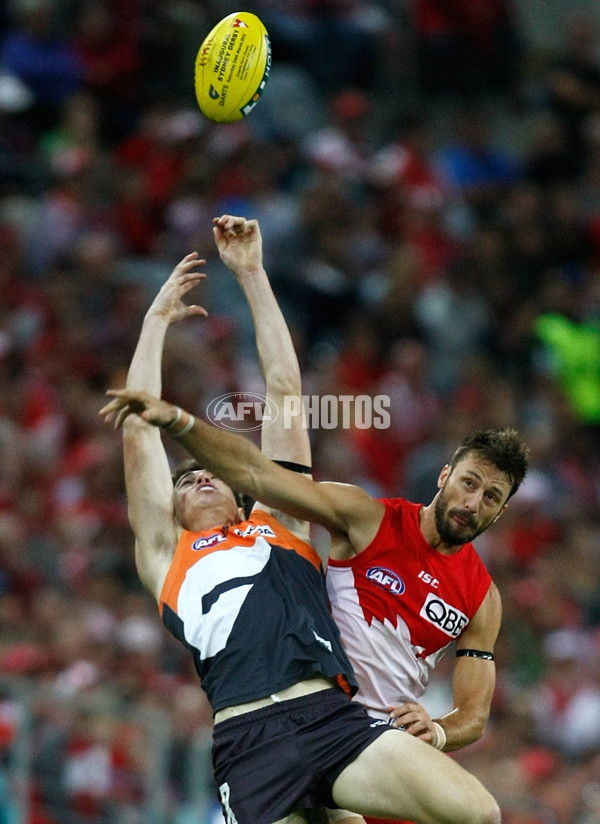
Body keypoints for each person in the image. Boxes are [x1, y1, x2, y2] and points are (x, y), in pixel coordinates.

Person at [101, 216, 502, 824]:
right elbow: (137, 431)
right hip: (247, 745)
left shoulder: (280, 524)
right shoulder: (166, 558)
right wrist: (154, 324)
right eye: (185, 481)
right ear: (173, 510)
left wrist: (253, 274)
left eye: (209, 473)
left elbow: (286, 392)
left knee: (477, 812)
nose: (200, 477)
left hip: (330, 720)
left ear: (242, 498)